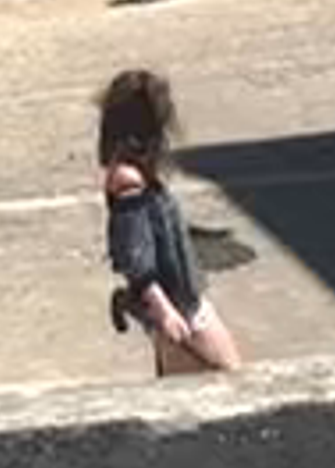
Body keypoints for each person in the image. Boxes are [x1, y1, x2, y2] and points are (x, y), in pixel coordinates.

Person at [98, 63, 242, 378]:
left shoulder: (133, 175)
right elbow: (135, 254)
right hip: (182, 312)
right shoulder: (128, 180)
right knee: (229, 379)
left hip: (182, 306)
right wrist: (163, 312)